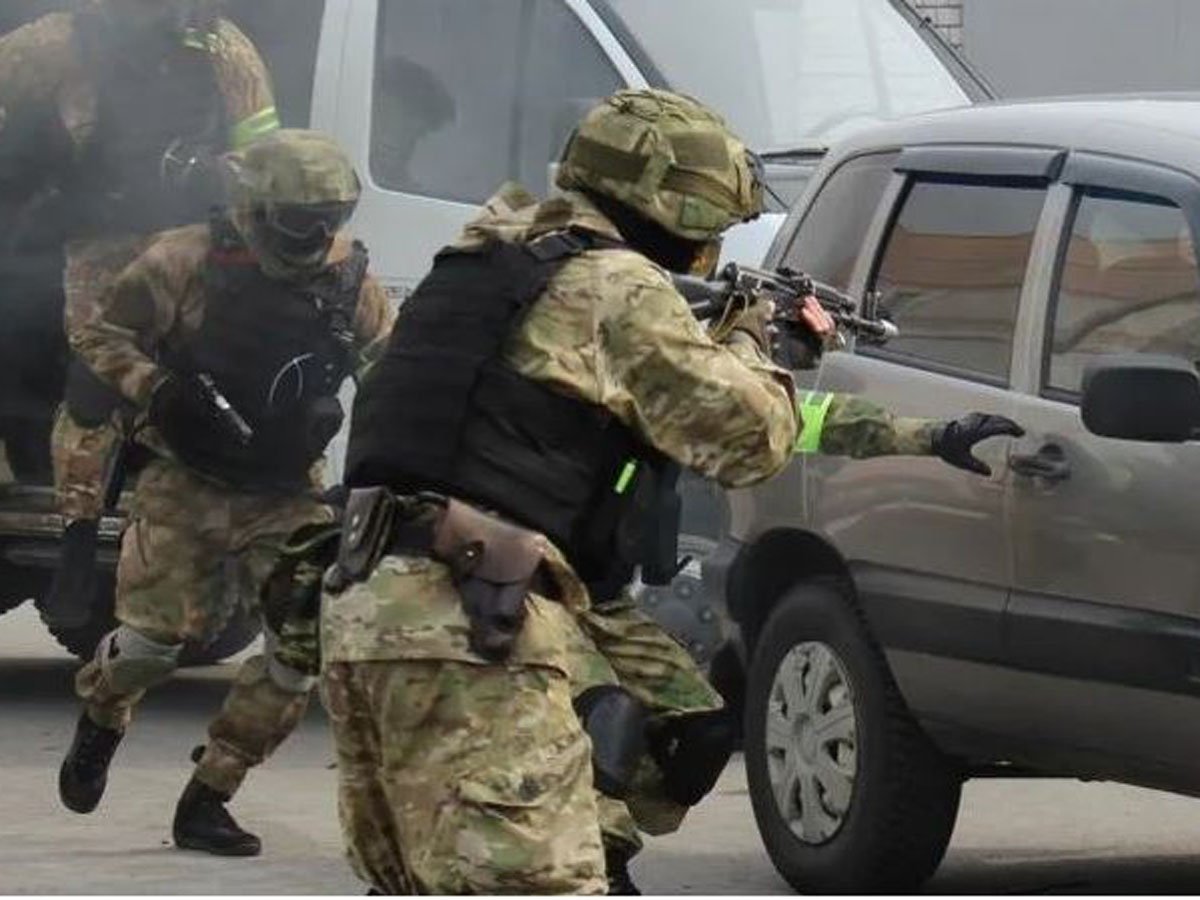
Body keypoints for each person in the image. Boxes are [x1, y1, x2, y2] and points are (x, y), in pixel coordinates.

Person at [316, 88, 1022, 894]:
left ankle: (598, 841)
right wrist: (760, 340)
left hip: (382, 599)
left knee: (667, 736)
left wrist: (925, 434)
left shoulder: (491, 260)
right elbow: (749, 437)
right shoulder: (617, 287)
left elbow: (741, 413)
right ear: (673, 210)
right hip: (474, 615)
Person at [56, 129, 394, 857]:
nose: (315, 236)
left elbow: (392, 371)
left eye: (330, 218)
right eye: (298, 219)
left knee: (300, 649)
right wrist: (159, 388)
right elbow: (100, 336)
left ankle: (210, 794)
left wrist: (385, 462)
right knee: (149, 647)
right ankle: (102, 717)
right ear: (256, 208)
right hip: (186, 477)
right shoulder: (182, 260)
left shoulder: (346, 279)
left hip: (286, 490)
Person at [0, 0, 281, 623]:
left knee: (169, 386)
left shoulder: (217, 45)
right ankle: (79, 539)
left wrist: (212, 178)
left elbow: (263, 153)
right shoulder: (67, 38)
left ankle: (146, 529)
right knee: (94, 388)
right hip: (108, 239)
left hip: (178, 243)